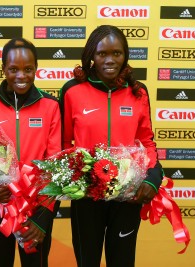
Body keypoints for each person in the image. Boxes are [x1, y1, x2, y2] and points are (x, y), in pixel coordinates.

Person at [59, 25, 163, 267]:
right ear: (91, 57)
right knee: (87, 261)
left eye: (116, 53)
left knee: (123, 260)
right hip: (87, 197)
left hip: (127, 196)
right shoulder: (72, 90)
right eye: (102, 53)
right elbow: (64, 143)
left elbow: (147, 142)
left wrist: (151, 178)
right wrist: (74, 175)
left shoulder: (138, 92)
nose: (109, 60)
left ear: (125, 55)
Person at [0, 37, 61, 267]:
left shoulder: (50, 106)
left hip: (35, 210)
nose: (21, 76)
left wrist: (43, 217)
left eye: (28, 69)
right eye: (13, 69)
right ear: (3, 69)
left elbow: (56, 165)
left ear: (36, 69)